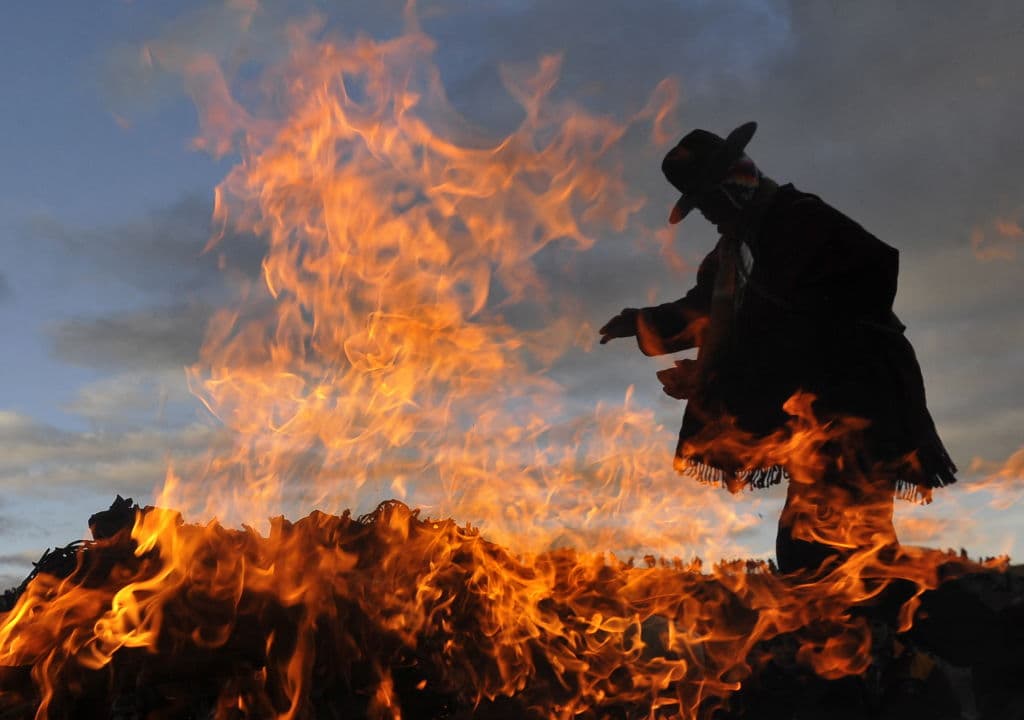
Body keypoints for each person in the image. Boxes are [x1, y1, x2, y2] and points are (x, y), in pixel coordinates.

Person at [599, 122, 957, 574]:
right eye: (703, 205)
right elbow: (706, 309)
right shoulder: (733, 253)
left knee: (836, 549)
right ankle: (880, 632)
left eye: (711, 200)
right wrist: (641, 323)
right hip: (818, 414)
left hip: (858, 402)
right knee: (813, 548)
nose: (710, 214)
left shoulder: (800, 218)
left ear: (735, 183)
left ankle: (919, 627)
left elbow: (873, 271)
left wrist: (744, 353)